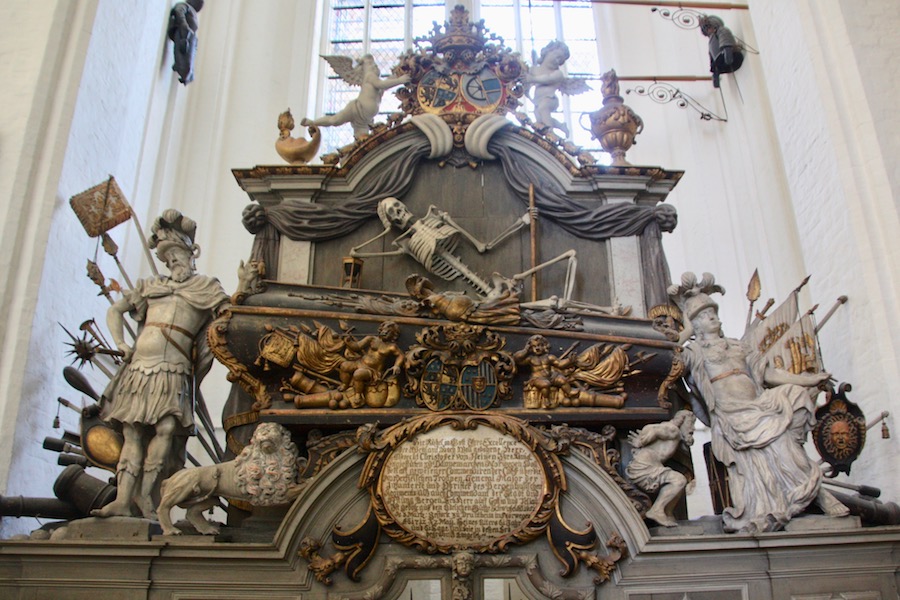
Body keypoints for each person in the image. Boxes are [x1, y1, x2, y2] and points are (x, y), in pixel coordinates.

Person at [669, 272, 848, 533]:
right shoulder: (694, 352)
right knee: (777, 451)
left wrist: (808, 380)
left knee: (794, 405)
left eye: (714, 313)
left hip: (760, 405)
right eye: (705, 315)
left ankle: (809, 493)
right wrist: (685, 328)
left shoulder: (738, 346)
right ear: (695, 323)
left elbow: (768, 374)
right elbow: (669, 354)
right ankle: (816, 495)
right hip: (732, 416)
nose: (714, 318)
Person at [93, 209, 229, 519]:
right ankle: (122, 500)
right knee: (132, 432)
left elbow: (228, 319)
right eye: (167, 258)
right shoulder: (150, 286)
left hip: (174, 369)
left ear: (192, 253)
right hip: (140, 367)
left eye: (176, 255)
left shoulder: (206, 288)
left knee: (166, 428)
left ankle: (146, 497)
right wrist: (121, 343)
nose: (172, 262)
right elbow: (115, 311)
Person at [302, 55, 410, 138]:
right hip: (356, 109)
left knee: (362, 143)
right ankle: (312, 122)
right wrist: (400, 80)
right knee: (335, 120)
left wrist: (400, 70)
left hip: (365, 120)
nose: (374, 66)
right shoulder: (370, 77)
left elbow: (388, 81)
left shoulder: (377, 84)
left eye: (374, 64)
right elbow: (382, 84)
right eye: (370, 64)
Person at [626, 410, 696, 527]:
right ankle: (657, 510)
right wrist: (642, 441)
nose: (692, 428)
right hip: (646, 465)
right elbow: (655, 430)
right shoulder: (673, 430)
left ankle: (667, 512)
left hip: (650, 463)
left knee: (679, 481)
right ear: (682, 421)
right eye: (690, 424)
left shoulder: (675, 433)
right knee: (679, 481)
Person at [526, 41, 590, 137]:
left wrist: (532, 79)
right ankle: (560, 126)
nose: (557, 61)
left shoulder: (558, 74)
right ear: (547, 51)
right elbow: (526, 82)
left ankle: (550, 134)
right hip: (538, 100)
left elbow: (547, 79)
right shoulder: (534, 70)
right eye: (557, 56)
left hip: (550, 99)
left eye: (560, 61)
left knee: (543, 108)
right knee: (540, 118)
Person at [338, 321, 405, 407]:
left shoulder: (391, 347)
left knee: (358, 374)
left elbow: (401, 355)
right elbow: (357, 346)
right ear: (380, 330)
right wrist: (349, 341)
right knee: (344, 366)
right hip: (360, 362)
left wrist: (396, 366)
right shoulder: (371, 339)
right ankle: (345, 384)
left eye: (388, 332)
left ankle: (358, 394)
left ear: (393, 335)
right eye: (384, 330)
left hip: (373, 371)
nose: (385, 333)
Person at [168, 0, 204, 85]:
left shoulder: (192, 12)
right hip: (184, 34)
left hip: (190, 38)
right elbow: (179, 11)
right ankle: (181, 69)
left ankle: (187, 76)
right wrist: (184, 24)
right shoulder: (185, 6)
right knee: (185, 61)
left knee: (189, 63)